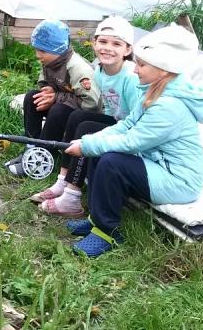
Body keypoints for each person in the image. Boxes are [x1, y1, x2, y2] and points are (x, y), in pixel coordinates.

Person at [63, 24, 203, 257]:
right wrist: (90, 141)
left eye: (142, 65)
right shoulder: (154, 91)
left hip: (179, 180)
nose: (135, 70)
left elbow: (131, 142)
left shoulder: (169, 106)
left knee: (112, 162)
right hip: (160, 166)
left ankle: (107, 233)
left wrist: (87, 146)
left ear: (163, 70)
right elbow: (125, 125)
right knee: (100, 154)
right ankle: (96, 219)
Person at [34, 16, 140, 216]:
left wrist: (106, 132)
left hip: (131, 130)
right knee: (78, 118)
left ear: (127, 50)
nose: (108, 48)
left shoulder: (130, 77)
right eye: (103, 41)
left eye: (116, 44)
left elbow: (138, 118)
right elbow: (108, 108)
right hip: (118, 122)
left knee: (86, 129)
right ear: (94, 43)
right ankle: (62, 181)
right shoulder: (100, 72)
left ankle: (72, 197)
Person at [5, 19, 101, 176]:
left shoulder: (78, 69)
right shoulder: (52, 61)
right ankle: (32, 146)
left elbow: (91, 103)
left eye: (42, 51)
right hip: (65, 103)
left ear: (57, 49)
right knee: (31, 97)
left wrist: (56, 97)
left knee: (58, 110)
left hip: (82, 116)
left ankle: (42, 155)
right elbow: (44, 81)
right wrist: (46, 90)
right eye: (36, 49)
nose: (37, 55)